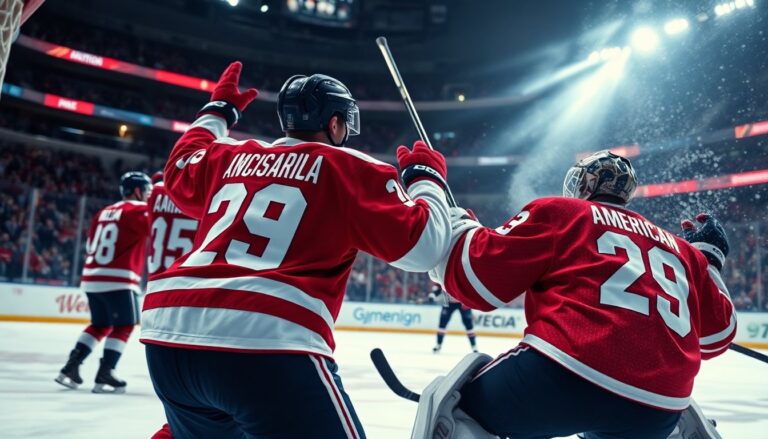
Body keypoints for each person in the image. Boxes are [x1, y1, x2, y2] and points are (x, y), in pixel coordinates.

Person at [140, 62, 452, 439]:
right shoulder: (348, 166)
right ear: (335, 123)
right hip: (264, 338)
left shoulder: (229, 157)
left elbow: (178, 168)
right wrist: (426, 179)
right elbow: (426, 247)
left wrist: (218, 111)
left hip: (169, 334)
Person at [416, 151, 735, 439]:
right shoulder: (681, 250)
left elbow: (477, 279)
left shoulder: (562, 211)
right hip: (659, 407)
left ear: (583, 185)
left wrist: (458, 227)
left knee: (456, 409)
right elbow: (717, 338)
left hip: (565, 373)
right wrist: (710, 262)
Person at [55, 171, 152, 393]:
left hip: (91, 276)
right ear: (137, 191)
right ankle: (106, 372)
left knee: (100, 324)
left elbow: (90, 246)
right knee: (125, 325)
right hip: (119, 278)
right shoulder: (139, 210)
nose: (148, 196)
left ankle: (71, 366)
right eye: (147, 191)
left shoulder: (103, 212)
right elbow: (157, 230)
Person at [146, 171, 198, 439]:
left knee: (186, 416)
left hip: (157, 295)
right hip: (195, 293)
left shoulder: (154, 195)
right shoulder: (207, 191)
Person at [429, 284, 478, 353]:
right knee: (442, 323)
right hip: (448, 302)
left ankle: (474, 347)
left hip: (463, 302)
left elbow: (469, 287)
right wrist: (433, 294)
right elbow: (438, 284)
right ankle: (438, 345)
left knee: (468, 323)